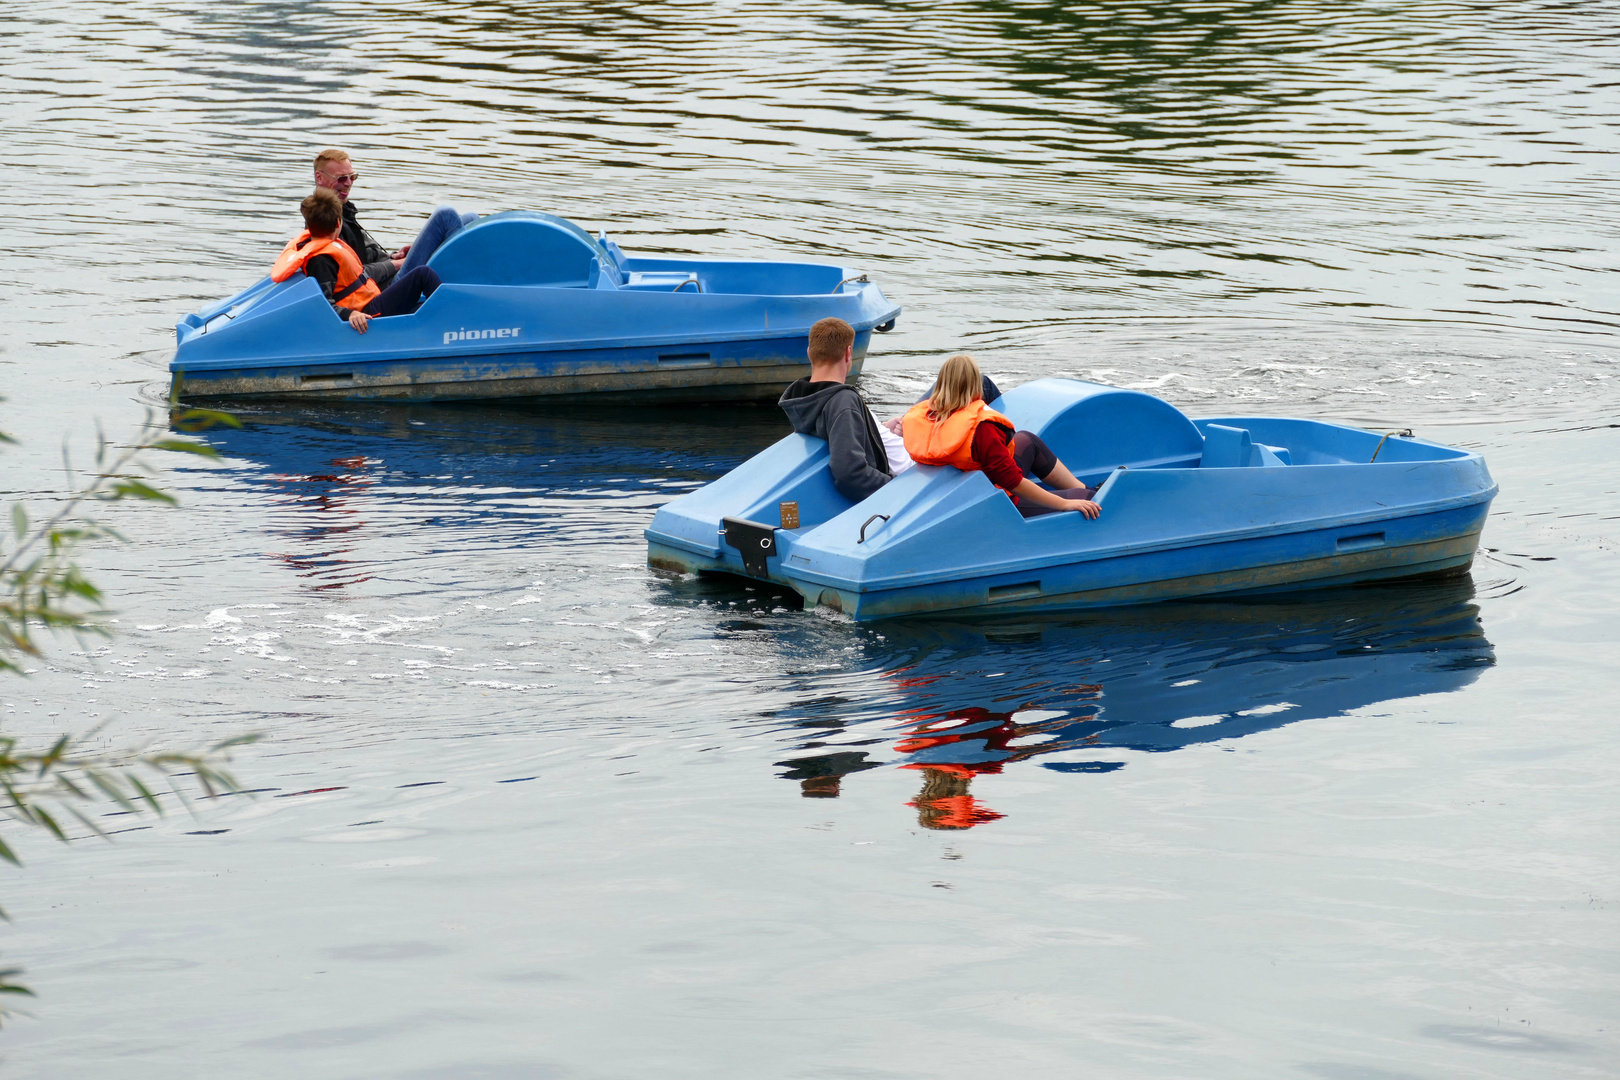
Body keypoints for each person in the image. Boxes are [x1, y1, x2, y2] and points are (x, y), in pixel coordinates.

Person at [902, 353, 1102, 519]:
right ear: (975, 385)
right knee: (1089, 499)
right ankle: (1091, 491)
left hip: (960, 488)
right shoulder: (982, 429)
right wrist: (1064, 504)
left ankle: (1085, 486)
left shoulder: (924, 417)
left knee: (1027, 440)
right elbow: (1013, 484)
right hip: (994, 501)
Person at [271, 188, 442, 334]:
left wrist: (392, 262)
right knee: (422, 274)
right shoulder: (321, 259)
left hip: (371, 302)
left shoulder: (327, 247)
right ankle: (453, 316)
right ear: (339, 223)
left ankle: (442, 324)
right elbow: (323, 303)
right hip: (367, 312)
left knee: (420, 306)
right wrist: (350, 314)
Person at [312, 149, 478, 290]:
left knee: (470, 218)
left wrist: (394, 257)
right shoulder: (324, 220)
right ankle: (466, 284)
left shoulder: (344, 212)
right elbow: (356, 275)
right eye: (342, 178)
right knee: (445, 215)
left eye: (352, 177)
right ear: (320, 178)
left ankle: (470, 280)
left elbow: (363, 255)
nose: (348, 183)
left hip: (391, 274)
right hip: (386, 289)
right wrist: (398, 264)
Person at [778, 317, 895, 502]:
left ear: (809, 352)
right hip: (874, 505)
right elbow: (850, 472)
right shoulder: (843, 401)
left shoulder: (800, 399)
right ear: (848, 353)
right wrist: (896, 487)